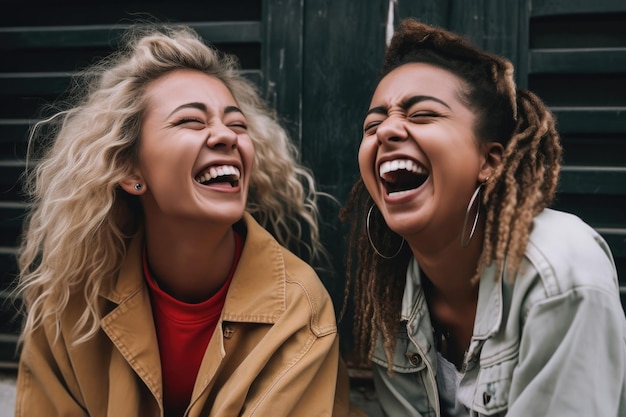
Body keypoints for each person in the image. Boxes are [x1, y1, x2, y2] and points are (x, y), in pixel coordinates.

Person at [13, 23, 361, 417]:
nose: (225, 136)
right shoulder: (70, 301)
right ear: (130, 171)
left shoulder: (300, 307)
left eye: (237, 124)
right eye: (191, 121)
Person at [339, 18, 626, 416]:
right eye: (373, 124)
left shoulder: (561, 272)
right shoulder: (393, 298)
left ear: (490, 160)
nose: (387, 129)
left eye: (421, 115)